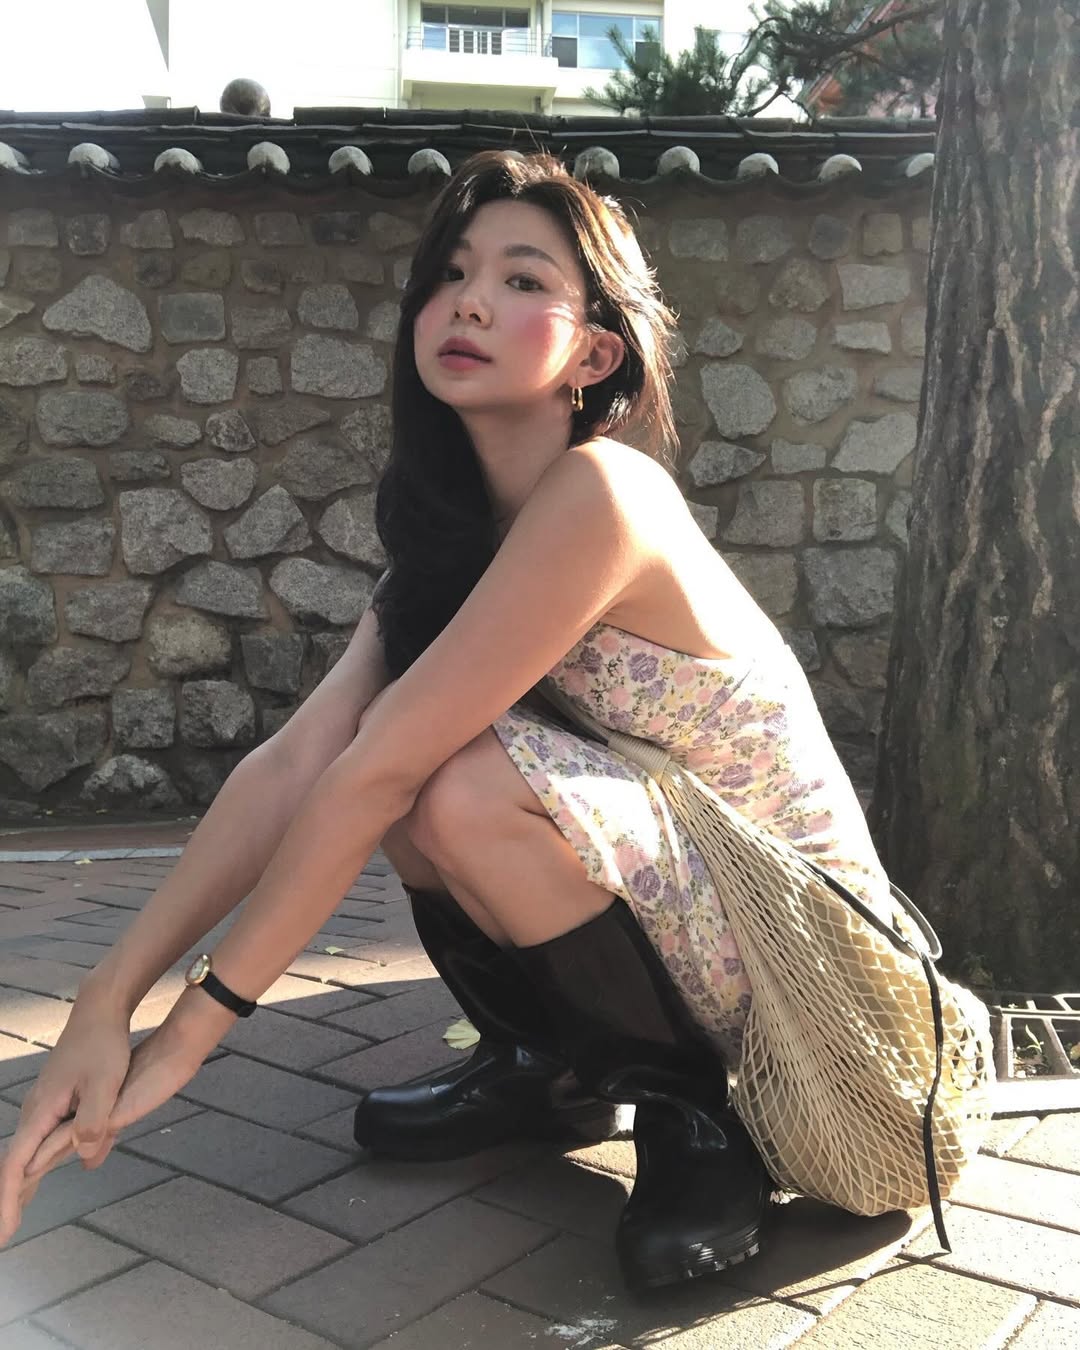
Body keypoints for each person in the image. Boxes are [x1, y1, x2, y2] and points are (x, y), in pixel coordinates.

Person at [0, 150, 895, 1289]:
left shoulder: (605, 494)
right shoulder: (453, 548)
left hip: (800, 960)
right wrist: (107, 997)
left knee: (451, 780)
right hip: (677, 909)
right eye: (451, 273)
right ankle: (546, 1069)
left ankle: (695, 1118)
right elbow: (298, 762)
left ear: (596, 354)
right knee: (416, 776)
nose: (469, 301)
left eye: (524, 280)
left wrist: (189, 1033)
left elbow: (376, 771)